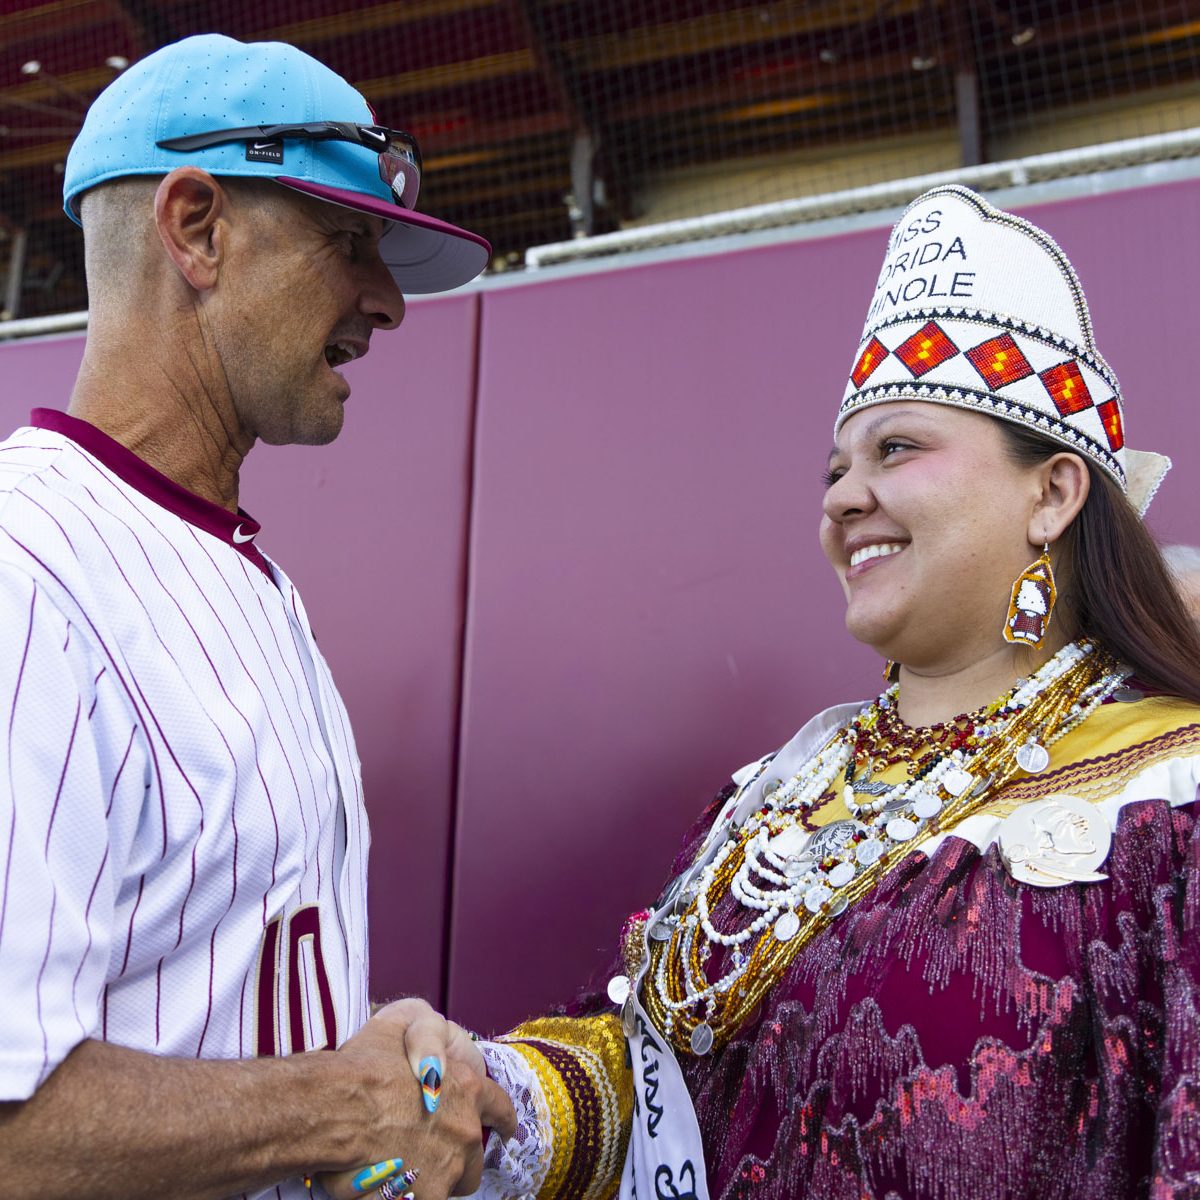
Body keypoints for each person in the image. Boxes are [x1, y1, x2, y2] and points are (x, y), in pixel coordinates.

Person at [432, 185, 1200, 1199]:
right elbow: (656, 1075)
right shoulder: (775, 797)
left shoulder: (1165, 812)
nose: (842, 498)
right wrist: (492, 1094)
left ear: (1052, 493)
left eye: (897, 451)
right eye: (835, 469)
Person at [0, 33, 514, 1200]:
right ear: (196, 228)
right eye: (348, 243)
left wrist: (371, 1054)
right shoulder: (23, 571)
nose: (384, 300)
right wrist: (344, 1104)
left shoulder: (249, 579)